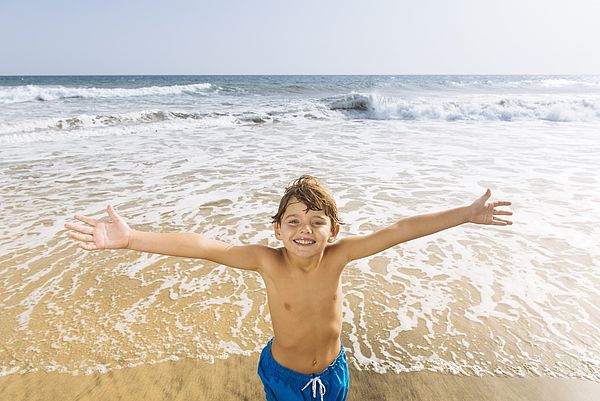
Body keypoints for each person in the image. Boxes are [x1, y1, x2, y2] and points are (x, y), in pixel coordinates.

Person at [64, 175, 513, 401]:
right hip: (283, 375)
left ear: (333, 230)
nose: (305, 229)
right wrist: (130, 239)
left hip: (334, 372)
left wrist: (464, 214)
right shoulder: (267, 260)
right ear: (277, 230)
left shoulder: (339, 256)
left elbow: (399, 229)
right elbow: (202, 246)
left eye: (316, 222)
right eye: (293, 221)